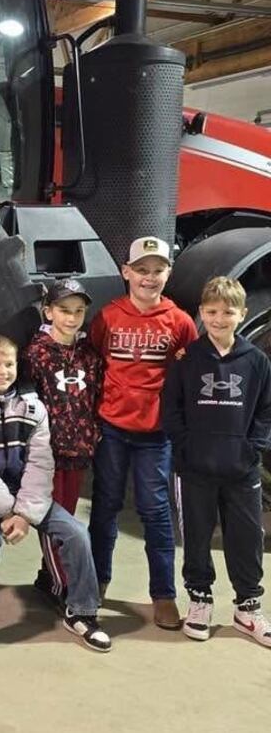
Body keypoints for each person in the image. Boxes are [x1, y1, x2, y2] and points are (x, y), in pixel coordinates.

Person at [0, 335, 111, 664]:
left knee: (76, 533)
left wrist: (23, 512)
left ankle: (81, 612)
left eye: (8, 364)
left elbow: (40, 462)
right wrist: (8, 511)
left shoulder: (33, 405)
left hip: (25, 491)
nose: (2, 371)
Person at [87, 236, 197, 630]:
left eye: (158, 270)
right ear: (126, 272)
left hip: (156, 435)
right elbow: (96, 362)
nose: (150, 278)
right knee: (105, 506)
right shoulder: (108, 317)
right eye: (142, 270)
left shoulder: (179, 321)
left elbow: (190, 370)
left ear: (168, 273)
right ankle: (97, 580)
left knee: (155, 512)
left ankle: (163, 594)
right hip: (113, 429)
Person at [162, 276, 271, 646]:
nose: (219, 319)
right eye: (211, 311)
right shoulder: (187, 360)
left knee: (246, 538)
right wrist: (186, 446)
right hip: (195, 469)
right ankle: (199, 601)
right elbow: (171, 409)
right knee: (195, 536)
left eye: (228, 312)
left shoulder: (256, 361)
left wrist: (251, 447)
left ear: (242, 314)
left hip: (241, 470)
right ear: (201, 314)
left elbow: (266, 411)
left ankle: (248, 609)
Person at [22, 278, 103, 608]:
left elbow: (94, 395)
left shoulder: (88, 355)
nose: (71, 318)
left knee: (68, 514)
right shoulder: (35, 354)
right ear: (48, 311)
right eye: (64, 310)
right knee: (54, 520)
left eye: (78, 311)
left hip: (79, 450)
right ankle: (62, 582)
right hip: (49, 453)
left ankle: (48, 574)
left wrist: (92, 434)